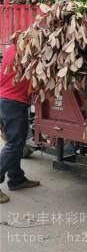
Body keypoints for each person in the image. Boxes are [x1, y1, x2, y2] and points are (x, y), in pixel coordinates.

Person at [0, 44, 40, 204]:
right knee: (14, 145)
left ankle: (16, 179)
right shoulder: (30, 51)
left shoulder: (12, 48)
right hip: (13, 102)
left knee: (16, 143)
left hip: (4, 100)